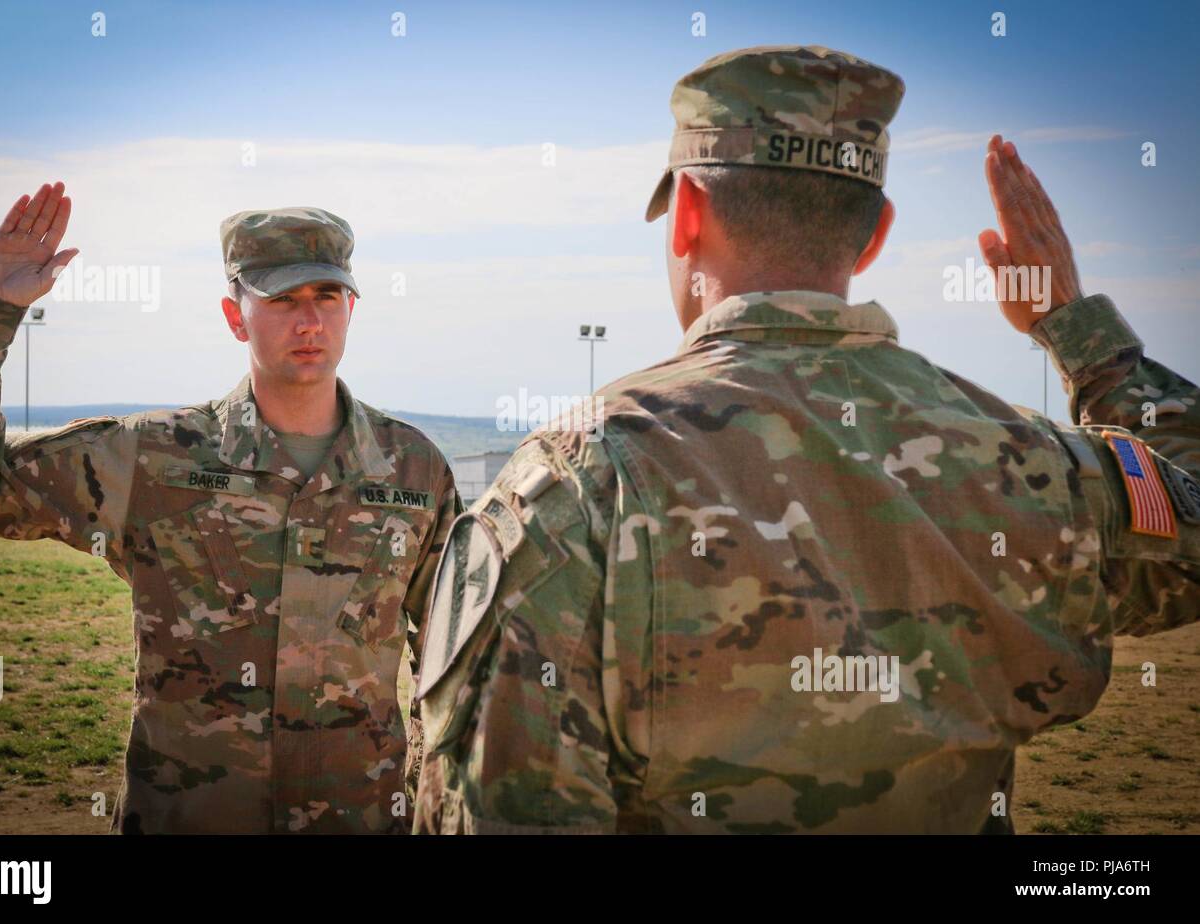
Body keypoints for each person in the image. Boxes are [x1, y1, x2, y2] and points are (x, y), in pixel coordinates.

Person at [411, 45, 1200, 834]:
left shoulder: (579, 483)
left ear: (688, 212)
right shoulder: (1038, 464)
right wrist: (1082, 334)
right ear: (875, 235)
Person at [0, 189, 460, 833]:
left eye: (326, 298)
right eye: (281, 300)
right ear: (235, 316)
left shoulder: (414, 469)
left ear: (351, 308)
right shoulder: (151, 458)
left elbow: (452, 656)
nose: (309, 322)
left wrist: (428, 799)